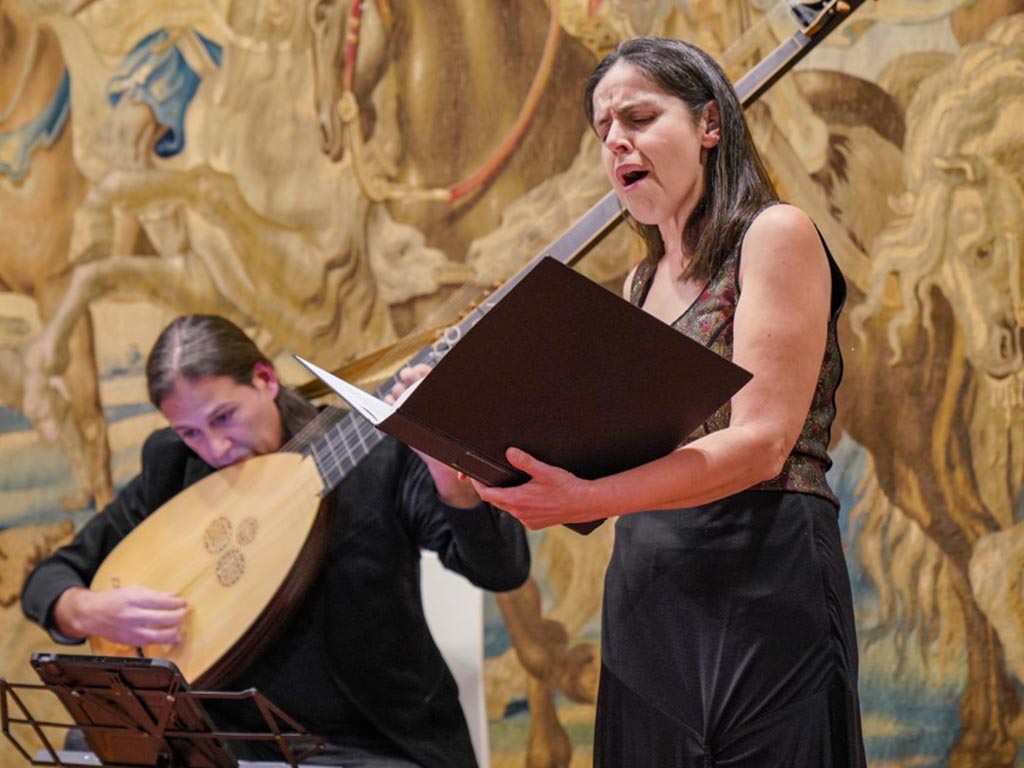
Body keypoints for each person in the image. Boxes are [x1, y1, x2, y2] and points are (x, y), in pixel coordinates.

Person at [473, 37, 867, 767]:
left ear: (710, 124)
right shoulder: (635, 285)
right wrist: (472, 440)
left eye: (640, 117)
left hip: (766, 569)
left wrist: (591, 493)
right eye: (603, 130)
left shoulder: (775, 234)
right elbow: (610, 461)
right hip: (650, 584)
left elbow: (761, 444)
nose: (616, 139)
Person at [22, 314, 530, 768]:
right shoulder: (175, 464)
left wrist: (449, 478)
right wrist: (84, 610)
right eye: (191, 431)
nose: (215, 448)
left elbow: (500, 570)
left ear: (264, 379)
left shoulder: (373, 454)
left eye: (223, 418)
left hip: (367, 745)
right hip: (226, 740)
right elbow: (51, 579)